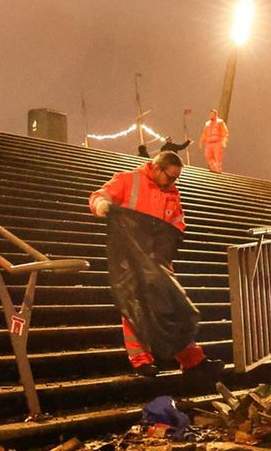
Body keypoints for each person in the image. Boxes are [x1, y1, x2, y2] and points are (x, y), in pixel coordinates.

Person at [90, 151, 222, 378]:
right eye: (170, 177)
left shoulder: (171, 193)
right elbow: (99, 196)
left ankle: (191, 359)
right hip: (130, 260)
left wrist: (171, 240)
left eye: (176, 178)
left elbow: (177, 222)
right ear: (156, 168)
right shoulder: (128, 180)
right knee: (135, 307)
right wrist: (101, 205)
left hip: (158, 259)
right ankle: (141, 360)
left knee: (172, 307)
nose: (173, 182)